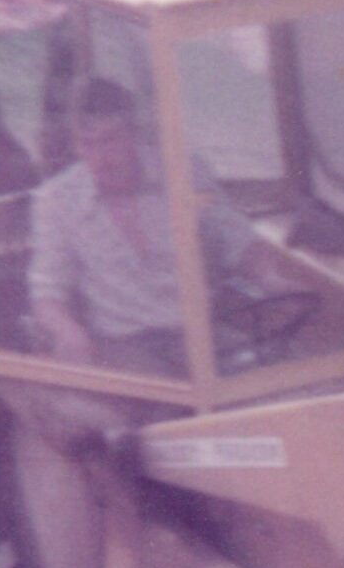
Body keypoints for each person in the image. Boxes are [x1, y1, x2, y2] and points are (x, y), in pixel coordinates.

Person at [26, 77, 291, 376]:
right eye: (88, 144)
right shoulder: (55, 202)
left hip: (203, 337)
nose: (101, 158)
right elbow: (47, 292)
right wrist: (67, 332)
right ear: (75, 144)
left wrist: (273, 280)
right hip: (123, 348)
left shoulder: (185, 173)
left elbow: (236, 239)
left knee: (279, 376)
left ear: (134, 134)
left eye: (110, 140)